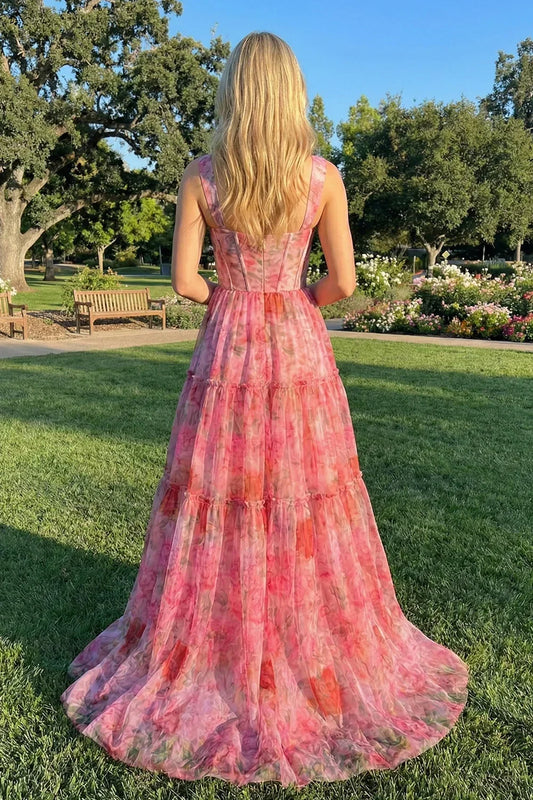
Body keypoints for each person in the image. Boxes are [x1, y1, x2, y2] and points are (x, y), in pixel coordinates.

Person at [60, 31, 469, 788]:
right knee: (304, 490)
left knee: (223, 490)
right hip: (297, 340)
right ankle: (304, 634)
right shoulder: (320, 178)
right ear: (292, 93)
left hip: (228, 343)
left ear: (233, 94)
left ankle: (212, 642)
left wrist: (235, 302)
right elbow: (343, 282)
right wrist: (291, 303)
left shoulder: (203, 177)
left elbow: (185, 282)